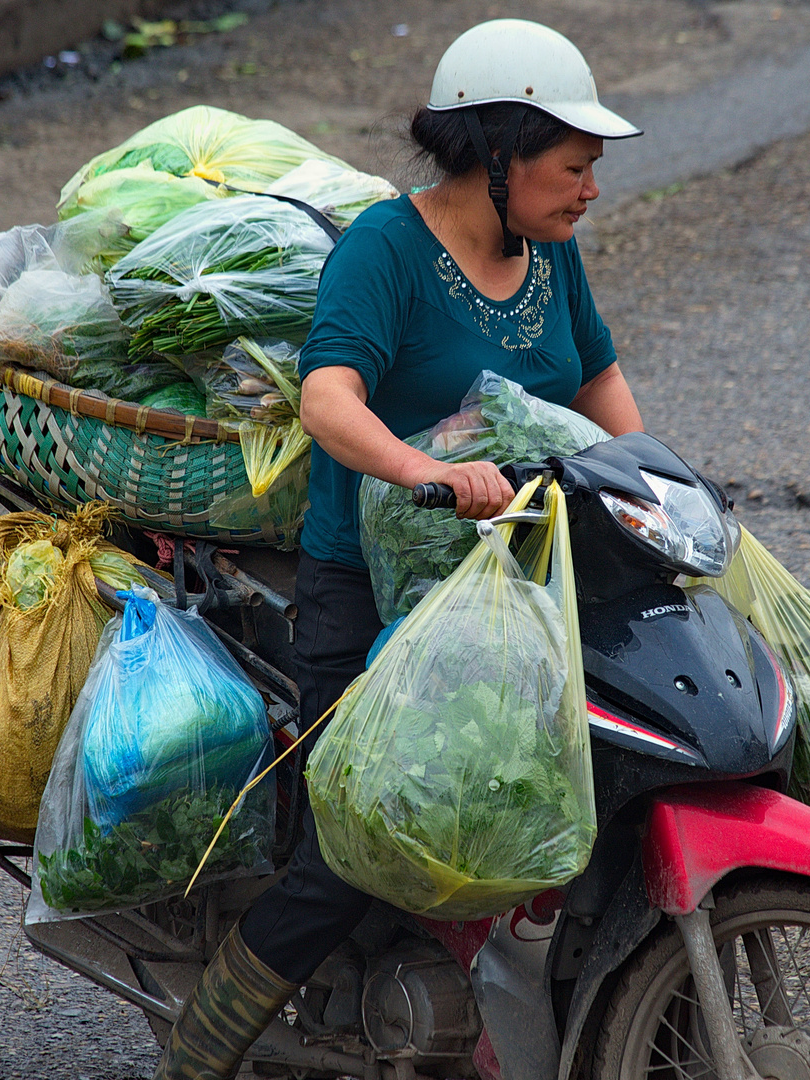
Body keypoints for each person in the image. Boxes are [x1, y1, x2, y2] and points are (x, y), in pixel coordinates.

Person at [153, 19, 646, 1079]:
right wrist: (421, 473)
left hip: (517, 575)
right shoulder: (386, 249)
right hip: (370, 589)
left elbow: (597, 382)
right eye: (574, 166)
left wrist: (654, 479)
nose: (589, 189)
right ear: (499, 153)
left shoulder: (551, 258)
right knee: (359, 850)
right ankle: (198, 1054)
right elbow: (330, 398)